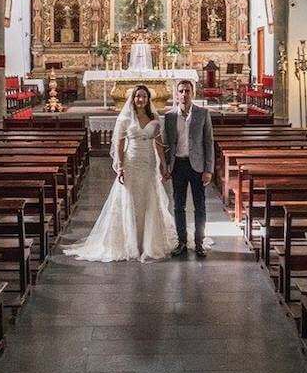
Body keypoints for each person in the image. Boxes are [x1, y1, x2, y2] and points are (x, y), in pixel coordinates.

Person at [63, 86, 177, 262]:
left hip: (148, 162)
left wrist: (163, 164)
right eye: (138, 96)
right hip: (132, 161)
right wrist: (120, 166)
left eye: (144, 96)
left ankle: (149, 242)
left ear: (148, 99)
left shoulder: (154, 117)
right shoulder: (125, 118)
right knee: (130, 197)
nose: (141, 99)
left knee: (149, 196)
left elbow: (159, 143)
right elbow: (119, 144)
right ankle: (130, 241)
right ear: (133, 99)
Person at [164, 80, 214, 258]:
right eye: (181, 91)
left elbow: (208, 143)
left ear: (193, 93)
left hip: (197, 166)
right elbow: (167, 144)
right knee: (179, 206)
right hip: (178, 165)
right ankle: (182, 241)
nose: (184, 94)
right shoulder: (169, 116)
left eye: (187, 91)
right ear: (176, 94)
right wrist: (166, 166)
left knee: (200, 206)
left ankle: (199, 242)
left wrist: (209, 169)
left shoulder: (202, 113)